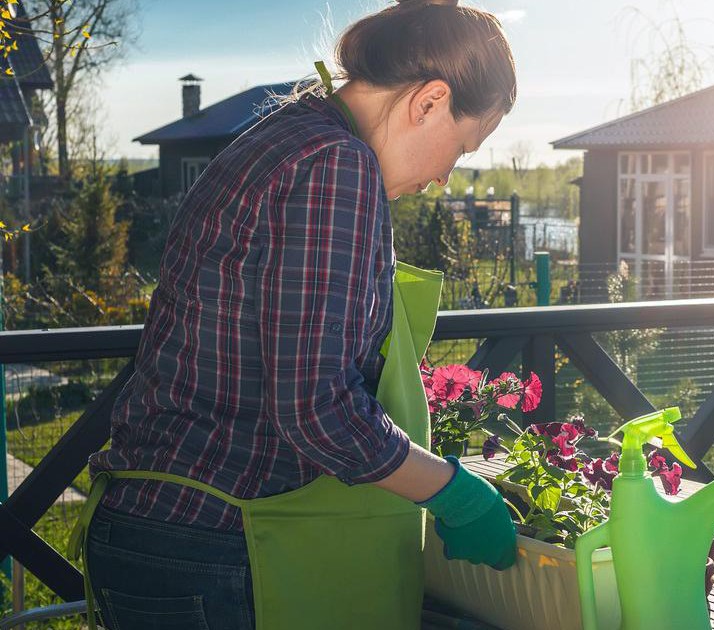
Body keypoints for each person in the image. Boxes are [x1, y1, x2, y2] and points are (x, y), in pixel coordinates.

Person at [73, 2, 518, 628]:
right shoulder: (335, 164)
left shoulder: (289, 133)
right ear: (430, 101)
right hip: (212, 545)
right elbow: (317, 409)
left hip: (162, 530)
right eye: (462, 147)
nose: (446, 177)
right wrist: (453, 492)